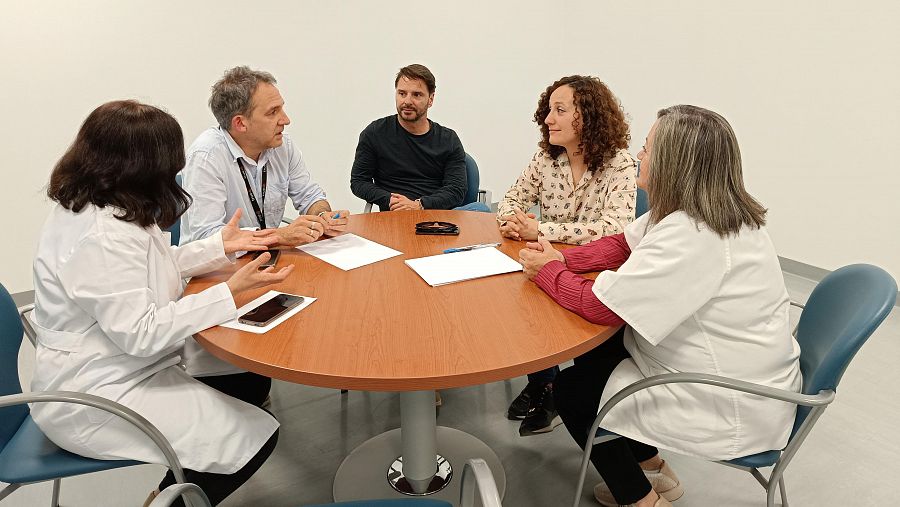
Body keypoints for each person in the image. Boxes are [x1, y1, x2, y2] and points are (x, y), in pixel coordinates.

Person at [518, 105, 801, 507]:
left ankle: (642, 500)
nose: (638, 157)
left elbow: (601, 308)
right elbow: (623, 243)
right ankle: (654, 468)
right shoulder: (703, 210)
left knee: (575, 394)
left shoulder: (695, 234)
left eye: (647, 149)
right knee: (598, 353)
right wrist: (565, 260)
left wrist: (547, 272)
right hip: (741, 365)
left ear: (673, 162)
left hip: (729, 398)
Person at [30, 100, 293, 507]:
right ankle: (167, 501)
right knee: (256, 436)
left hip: (113, 364)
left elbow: (147, 266)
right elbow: (142, 333)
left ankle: (171, 488)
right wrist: (229, 292)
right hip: (98, 394)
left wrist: (218, 247)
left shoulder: (100, 204)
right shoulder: (101, 235)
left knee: (242, 382)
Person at [497, 75, 637, 436]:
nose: (548, 119)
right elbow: (511, 199)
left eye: (560, 110)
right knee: (527, 304)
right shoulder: (546, 158)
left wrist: (541, 230)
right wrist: (514, 222)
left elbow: (615, 229)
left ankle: (566, 392)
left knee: (578, 323)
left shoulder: (620, 164)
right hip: (547, 259)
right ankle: (544, 384)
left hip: (596, 268)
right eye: (549, 110)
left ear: (587, 116)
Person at [180, 65, 349, 248]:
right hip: (221, 268)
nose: (285, 120)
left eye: (282, 109)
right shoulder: (206, 157)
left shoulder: (283, 146)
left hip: (267, 255)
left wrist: (322, 216)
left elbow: (310, 196)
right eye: (273, 112)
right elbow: (207, 237)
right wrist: (279, 236)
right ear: (240, 123)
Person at [350, 63, 490, 212]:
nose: (407, 101)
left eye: (416, 95)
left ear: (431, 99)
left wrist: (419, 205)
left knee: (480, 209)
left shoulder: (449, 140)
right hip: (394, 217)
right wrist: (389, 200)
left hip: (438, 219)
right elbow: (359, 182)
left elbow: (456, 190)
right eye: (402, 93)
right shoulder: (374, 133)